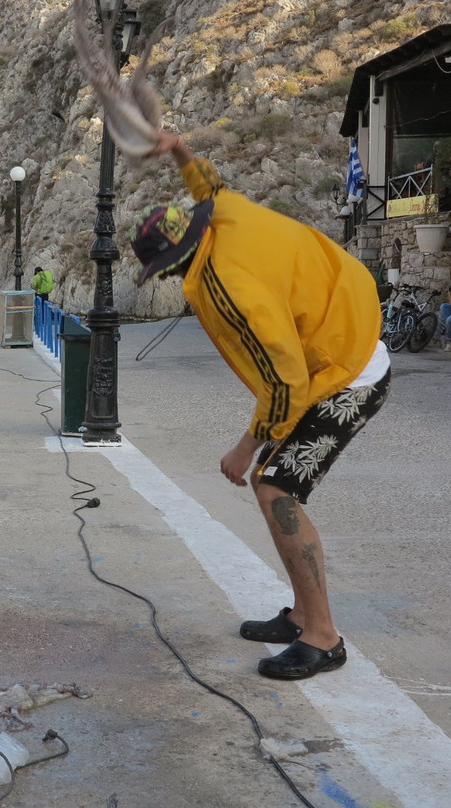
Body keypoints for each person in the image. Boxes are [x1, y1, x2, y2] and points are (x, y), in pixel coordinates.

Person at [130, 130, 390, 681]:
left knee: (275, 485)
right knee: (273, 481)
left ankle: (323, 637)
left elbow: (287, 380)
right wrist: (177, 149)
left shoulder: (226, 285)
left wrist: (245, 446)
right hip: (348, 333)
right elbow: (209, 183)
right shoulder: (222, 214)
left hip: (348, 372)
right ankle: (300, 614)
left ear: (174, 263)